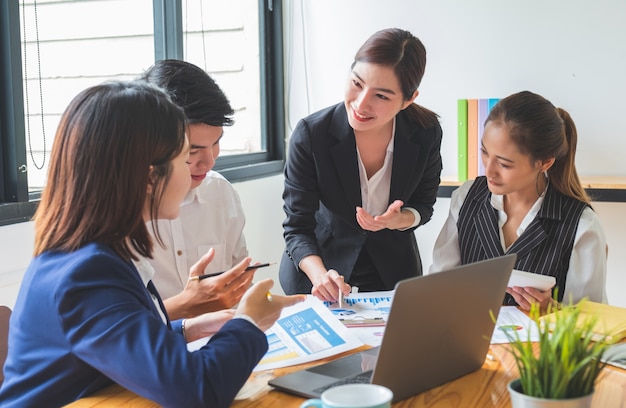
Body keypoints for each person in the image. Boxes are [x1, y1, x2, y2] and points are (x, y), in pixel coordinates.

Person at [0, 81, 304, 408]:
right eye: (182, 158)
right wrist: (248, 321)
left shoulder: (92, 251)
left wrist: (188, 328)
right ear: (148, 177)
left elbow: (115, 341)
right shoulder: (88, 272)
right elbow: (196, 395)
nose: (193, 174)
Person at [280, 28, 443, 302]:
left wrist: (398, 220)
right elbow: (297, 227)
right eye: (357, 83)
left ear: (409, 99)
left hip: (392, 275)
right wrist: (321, 277)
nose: (360, 103)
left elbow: (424, 205)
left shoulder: (424, 133)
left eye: (381, 96)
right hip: (319, 271)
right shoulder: (311, 135)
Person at [430, 90, 607, 312]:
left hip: (539, 346)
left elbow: (593, 321)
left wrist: (554, 312)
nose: (489, 170)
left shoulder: (582, 226)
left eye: (504, 164)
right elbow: (438, 286)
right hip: (466, 343)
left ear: (544, 163)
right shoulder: (467, 198)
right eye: (484, 152)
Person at [141, 59, 251, 320]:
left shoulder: (220, 193)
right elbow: (120, 331)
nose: (210, 161)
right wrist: (184, 305)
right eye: (192, 151)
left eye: (216, 143)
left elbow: (241, 284)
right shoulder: (123, 218)